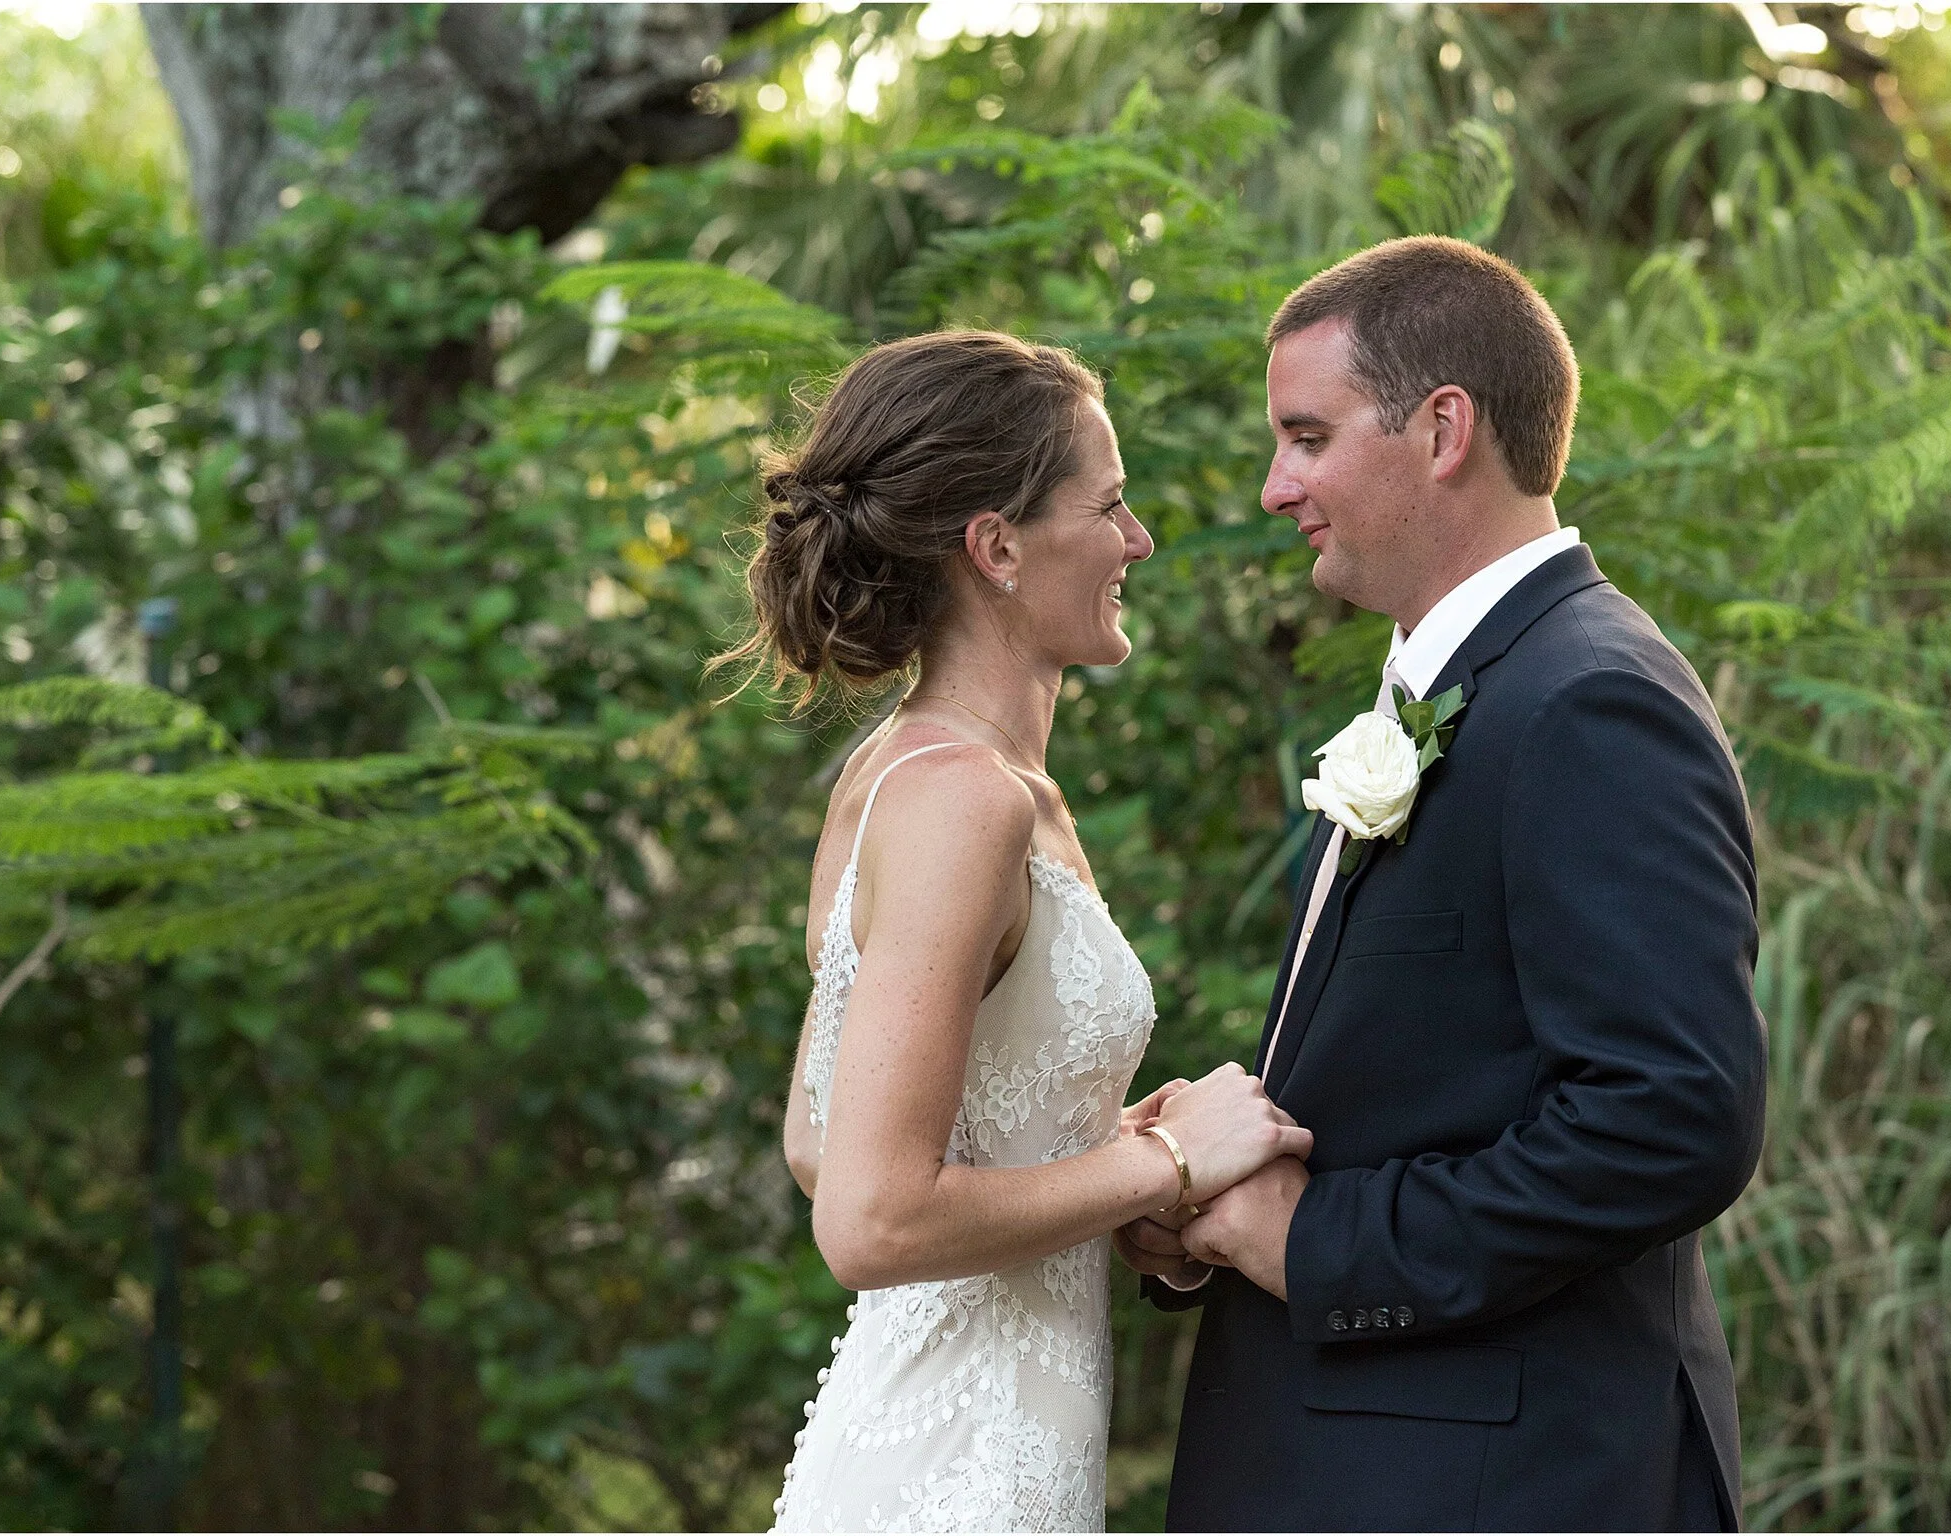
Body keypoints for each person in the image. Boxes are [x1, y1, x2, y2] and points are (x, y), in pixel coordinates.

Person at [1116, 237, 1769, 1531]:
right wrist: (1204, 1204)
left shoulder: (1590, 700)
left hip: (1489, 1487)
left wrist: (1318, 1245)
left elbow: (1673, 1115)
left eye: (1305, 437)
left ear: (1443, 428)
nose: (1271, 487)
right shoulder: (1462, 692)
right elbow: (1418, 1081)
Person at [729, 330, 1314, 1533]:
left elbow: (814, 1135)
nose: (1137, 542)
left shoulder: (908, 774)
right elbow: (867, 1214)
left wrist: (1098, 1149)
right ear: (996, 547)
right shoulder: (963, 801)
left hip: (987, 1442)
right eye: (1108, 507)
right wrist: (1164, 1162)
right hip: (956, 1470)